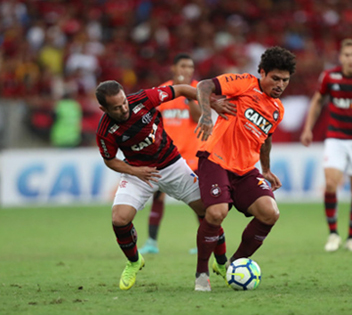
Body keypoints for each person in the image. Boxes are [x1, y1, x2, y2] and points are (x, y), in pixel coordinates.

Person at [95, 80, 228, 291]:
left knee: (210, 211)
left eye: (124, 103)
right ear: (104, 109)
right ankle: (134, 261)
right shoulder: (105, 131)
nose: (123, 109)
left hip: (172, 165)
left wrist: (210, 103)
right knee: (119, 219)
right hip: (139, 173)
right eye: (116, 107)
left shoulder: (143, 99)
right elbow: (110, 159)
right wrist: (135, 171)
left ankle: (221, 262)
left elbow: (183, 89)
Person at [193, 46, 297, 291]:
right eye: (275, 78)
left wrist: (267, 169)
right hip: (216, 159)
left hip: (245, 169)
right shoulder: (245, 83)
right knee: (217, 213)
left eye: (285, 80)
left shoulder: (277, 109)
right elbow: (204, 86)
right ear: (262, 72)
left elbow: (266, 137)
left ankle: (236, 264)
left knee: (270, 213)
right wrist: (207, 115)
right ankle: (201, 272)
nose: (280, 84)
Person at [138, 54, 233, 255]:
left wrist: (190, 96)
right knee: (158, 196)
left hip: (194, 153)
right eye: (183, 66)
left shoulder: (201, 89)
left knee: (200, 200)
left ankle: (206, 242)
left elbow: (199, 117)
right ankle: (152, 243)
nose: (187, 70)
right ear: (174, 68)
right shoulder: (163, 91)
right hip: (167, 154)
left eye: (190, 66)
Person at [301, 39, 352, 253]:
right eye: (347, 55)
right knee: (330, 184)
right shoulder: (330, 77)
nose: (350, 59)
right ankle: (333, 234)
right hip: (336, 139)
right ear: (341, 57)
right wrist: (308, 128)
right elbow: (317, 101)